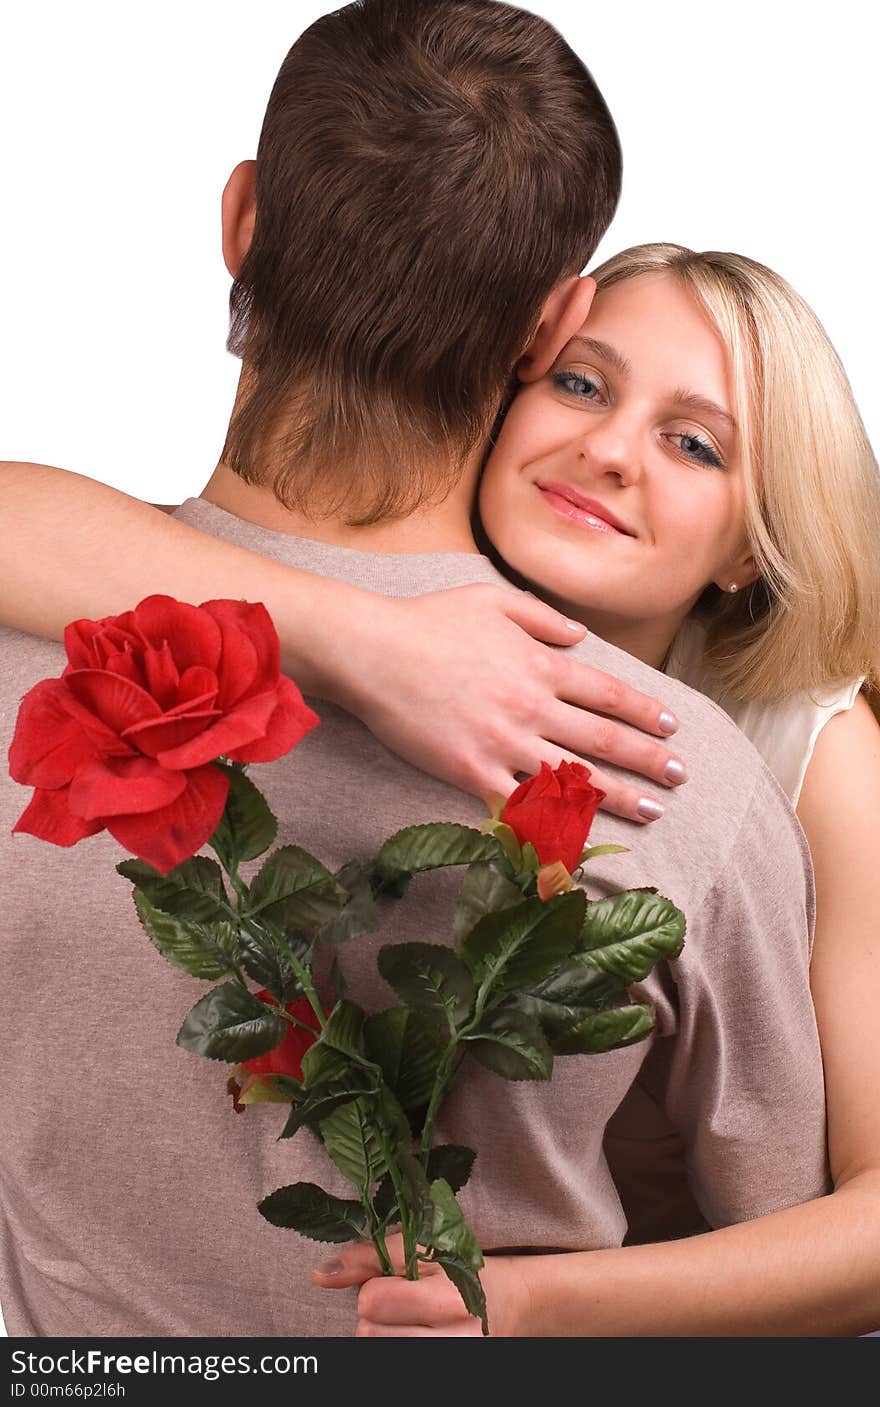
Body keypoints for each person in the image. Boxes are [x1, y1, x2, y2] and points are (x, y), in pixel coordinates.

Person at [0, 0, 852, 1336]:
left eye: (699, 444)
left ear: (240, 221)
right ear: (547, 330)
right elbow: (788, 1266)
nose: (621, 453)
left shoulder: (24, 634)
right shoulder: (680, 778)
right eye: (591, 384)